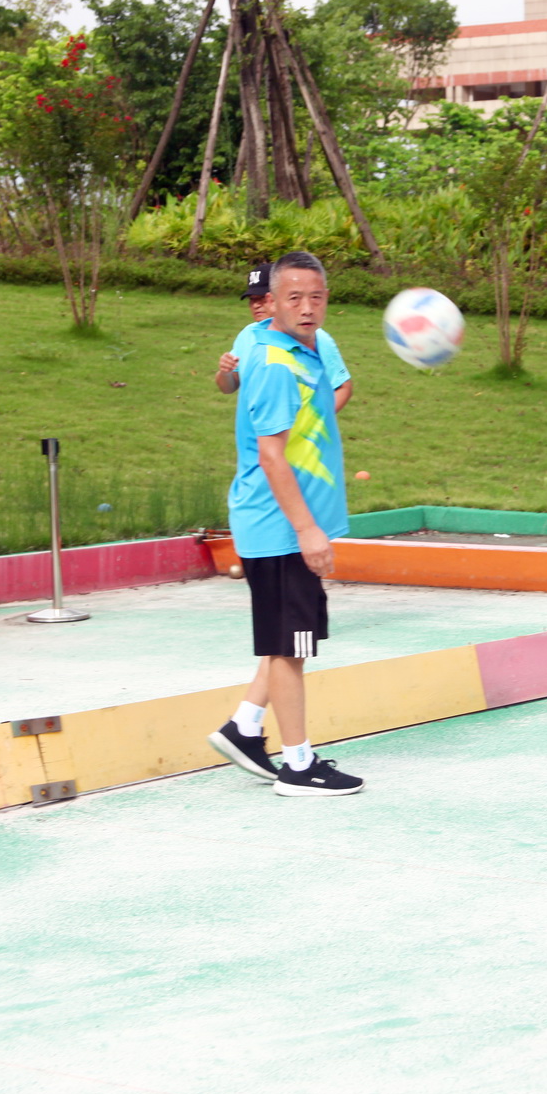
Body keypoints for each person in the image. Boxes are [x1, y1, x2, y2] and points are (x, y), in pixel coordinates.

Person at [205, 251, 365, 797]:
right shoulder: (275, 362)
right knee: (290, 649)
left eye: (316, 297)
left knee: (287, 643)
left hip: (282, 524)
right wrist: (307, 531)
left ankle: (245, 728)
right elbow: (272, 455)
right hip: (279, 526)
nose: (307, 307)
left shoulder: (308, 348)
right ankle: (298, 765)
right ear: (273, 302)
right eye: (294, 297)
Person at [216, 262, 353, 411]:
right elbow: (229, 387)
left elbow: (343, 387)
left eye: (262, 298)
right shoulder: (248, 334)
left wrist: (319, 420)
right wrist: (226, 372)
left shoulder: (314, 338)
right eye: (252, 299)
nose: (256, 305)